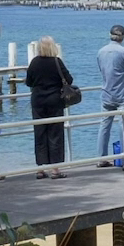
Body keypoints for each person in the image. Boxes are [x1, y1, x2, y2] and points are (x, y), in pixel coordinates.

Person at [23, 35, 74, 178]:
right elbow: (69, 79)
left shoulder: (34, 62)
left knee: (39, 133)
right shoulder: (57, 62)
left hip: (38, 101)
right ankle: (55, 169)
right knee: (55, 134)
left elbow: (28, 82)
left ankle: (40, 168)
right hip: (54, 101)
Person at [95, 24, 124, 167]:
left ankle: (101, 158)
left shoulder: (101, 51)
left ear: (110, 35)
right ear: (123, 36)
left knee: (104, 126)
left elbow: (102, 69)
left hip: (106, 93)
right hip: (123, 95)